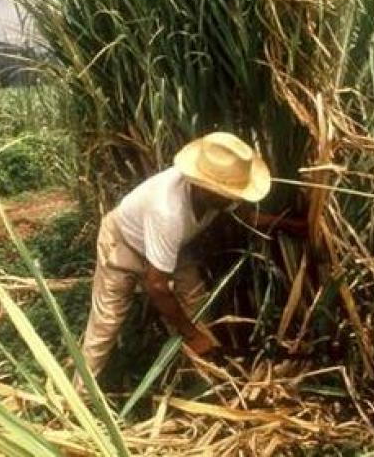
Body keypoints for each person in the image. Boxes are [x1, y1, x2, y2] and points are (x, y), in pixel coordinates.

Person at [76, 132, 306, 385]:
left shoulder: (218, 196)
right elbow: (156, 285)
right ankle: (77, 398)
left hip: (171, 250)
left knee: (197, 307)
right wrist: (191, 336)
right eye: (226, 195)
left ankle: (209, 380)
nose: (232, 200)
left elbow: (246, 217)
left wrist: (290, 225)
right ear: (202, 187)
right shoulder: (167, 211)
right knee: (106, 323)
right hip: (123, 244)